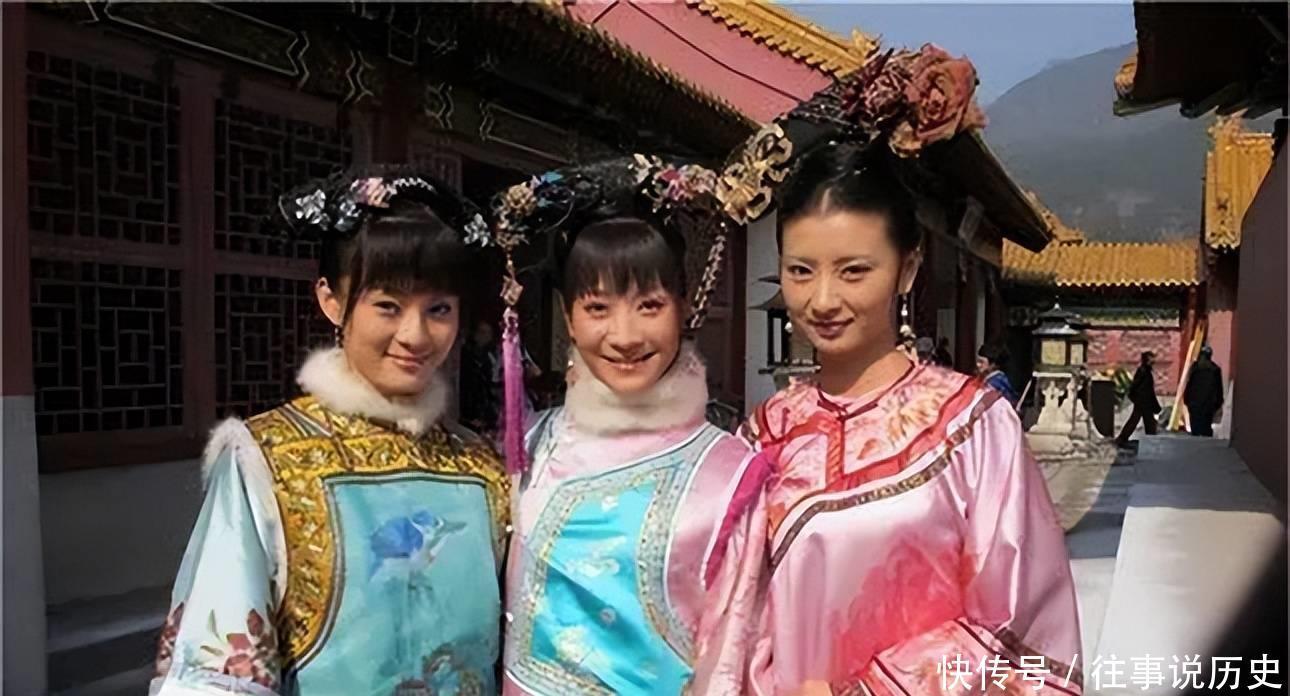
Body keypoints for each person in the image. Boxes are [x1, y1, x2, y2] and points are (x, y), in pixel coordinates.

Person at [731, 44, 1083, 695]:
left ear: (908, 268)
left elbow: (1021, 629)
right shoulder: (764, 435)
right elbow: (731, 624)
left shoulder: (973, 428)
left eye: (854, 270)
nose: (823, 299)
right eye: (801, 270)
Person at [150, 169, 509, 695]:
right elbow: (217, 675)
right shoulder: (266, 459)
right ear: (331, 300)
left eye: (438, 309)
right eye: (387, 306)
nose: (414, 335)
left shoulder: (480, 465)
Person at [490, 158, 765, 695]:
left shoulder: (728, 474)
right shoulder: (529, 445)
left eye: (649, 305)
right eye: (597, 308)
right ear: (569, 318)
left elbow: (732, 661)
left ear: (682, 308)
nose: (625, 335)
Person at [461, 318, 501, 434]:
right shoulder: (466, 355)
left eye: (488, 333)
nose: (485, 336)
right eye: (482, 332)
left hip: (485, 408)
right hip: (469, 408)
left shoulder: (489, 356)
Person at [1116, 351, 1161, 448]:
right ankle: (1149, 440)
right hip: (1143, 401)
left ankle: (1123, 438)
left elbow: (1141, 388)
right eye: (1151, 358)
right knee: (1143, 421)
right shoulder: (1144, 372)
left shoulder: (1144, 371)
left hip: (1143, 401)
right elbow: (1143, 388)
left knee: (1141, 420)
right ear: (1147, 359)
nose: (1153, 360)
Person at [1183, 345, 1224, 437]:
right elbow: (1218, 388)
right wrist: (1218, 402)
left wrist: (1186, 399)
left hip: (1195, 403)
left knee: (1196, 429)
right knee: (1206, 428)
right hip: (1208, 404)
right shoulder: (1215, 369)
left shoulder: (1195, 368)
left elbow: (1189, 384)